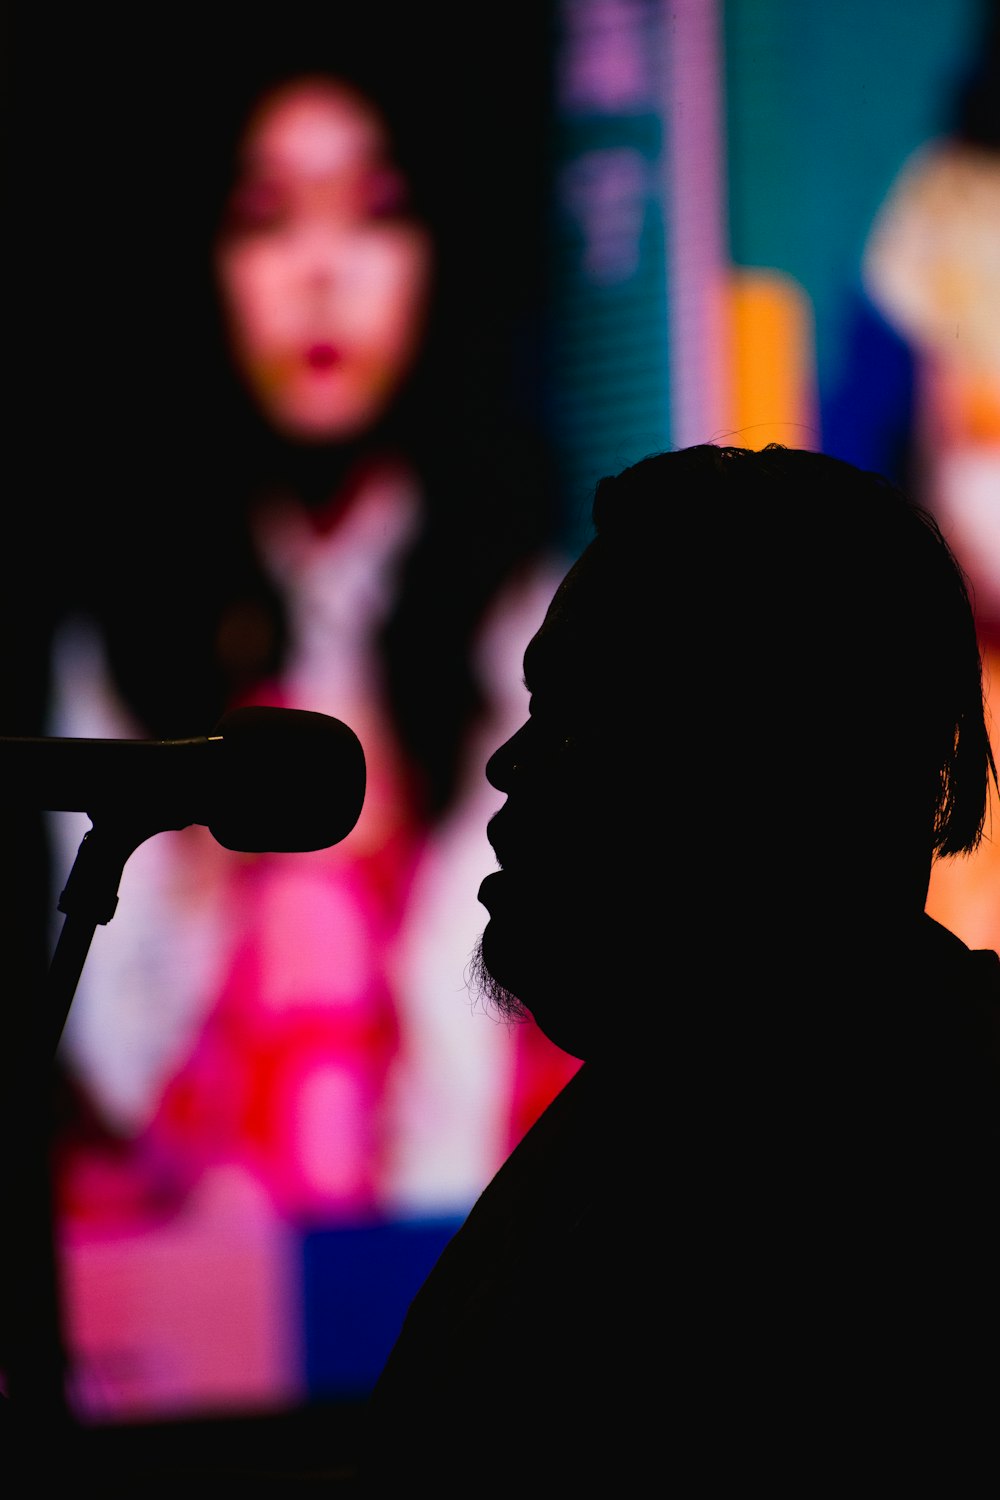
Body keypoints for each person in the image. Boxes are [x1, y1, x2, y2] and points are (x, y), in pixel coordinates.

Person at [37, 24, 576, 1422]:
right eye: (270, 220)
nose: (322, 273)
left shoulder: (521, 605)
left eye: (373, 216)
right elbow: (111, 1045)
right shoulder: (138, 631)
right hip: (203, 1291)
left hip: (466, 1277)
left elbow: (492, 1034)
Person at [352, 442, 1000, 1489]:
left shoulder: (873, 1175)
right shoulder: (662, 1111)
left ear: (758, 772)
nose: (510, 765)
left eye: (577, 719)